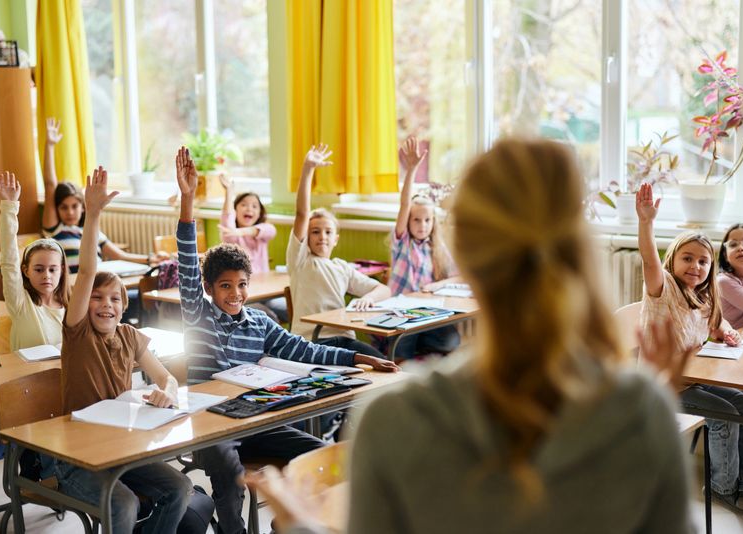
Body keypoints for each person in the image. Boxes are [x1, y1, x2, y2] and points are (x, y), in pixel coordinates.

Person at [251, 139, 694, 534]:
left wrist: (301, 527)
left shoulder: (392, 421)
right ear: (580, 249)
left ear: (464, 257)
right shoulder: (642, 408)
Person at [174, 147, 397, 534]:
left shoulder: (259, 323)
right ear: (209, 288)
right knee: (228, 473)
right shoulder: (200, 314)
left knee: (323, 455)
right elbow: (186, 262)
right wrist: (189, 200)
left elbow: (308, 350)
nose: (236, 293)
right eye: (225, 286)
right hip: (210, 423)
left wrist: (361, 360)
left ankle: (291, 524)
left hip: (254, 418)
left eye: (242, 285)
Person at [54, 166, 192, 534]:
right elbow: (85, 272)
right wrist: (93, 213)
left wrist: (167, 392)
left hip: (120, 447)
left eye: (114, 299)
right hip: (76, 457)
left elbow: (165, 376)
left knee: (181, 487)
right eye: (96, 299)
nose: (106, 305)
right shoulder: (78, 332)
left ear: (124, 305)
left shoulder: (130, 336)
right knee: (124, 502)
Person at [637, 183, 743, 515]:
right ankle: (721, 487)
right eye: (687, 259)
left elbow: (715, 324)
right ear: (672, 260)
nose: (695, 266)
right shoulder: (662, 288)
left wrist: (727, 333)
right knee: (723, 417)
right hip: (663, 385)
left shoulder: (703, 297)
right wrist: (646, 222)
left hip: (692, 380)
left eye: (703, 262)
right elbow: (649, 259)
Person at [287, 144, 389, 357]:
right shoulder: (301, 260)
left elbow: (384, 290)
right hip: (312, 341)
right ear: (306, 236)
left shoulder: (342, 267)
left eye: (327, 232)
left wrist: (367, 298)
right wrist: (308, 169)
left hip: (344, 340)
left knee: (384, 363)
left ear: (336, 239)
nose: (321, 237)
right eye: (315, 232)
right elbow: (302, 213)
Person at [41, 117, 166, 272]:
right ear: (56, 209)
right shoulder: (55, 230)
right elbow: (50, 186)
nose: (70, 212)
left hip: (98, 287)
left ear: (83, 207)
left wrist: (150, 259)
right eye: (64, 207)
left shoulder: (90, 231)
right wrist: (50, 145)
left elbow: (120, 256)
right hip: (74, 291)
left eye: (75, 206)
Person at [385, 136, 460, 359]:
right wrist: (411, 170)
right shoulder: (403, 244)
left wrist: (438, 286)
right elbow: (405, 204)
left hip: (427, 312)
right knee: (402, 351)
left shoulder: (435, 246)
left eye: (427, 220)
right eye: (416, 220)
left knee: (451, 339)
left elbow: (456, 276)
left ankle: (422, 349)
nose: (422, 225)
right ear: (408, 222)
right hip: (402, 314)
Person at [0, 171, 69, 350]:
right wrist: (9, 206)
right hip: (28, 377)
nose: (47, 275)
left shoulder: (70, 305)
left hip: (63, 375)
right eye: (39, 269)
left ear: (61, 270)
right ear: (25, 270)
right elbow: (9, 261)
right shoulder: (20, 303)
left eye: (53, 269)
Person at [218, 177, 287, 322]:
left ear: (260, 213)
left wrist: (240, 231)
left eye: (255, 206)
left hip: (268, 294)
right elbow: (226, 222)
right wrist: (229, 192)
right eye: (244, 205)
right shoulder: (232, 238)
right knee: (270, 318)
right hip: (246, 297)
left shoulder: (262, 233)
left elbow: (269, 230)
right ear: (235, 210)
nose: (249, 208)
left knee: (293, 310)